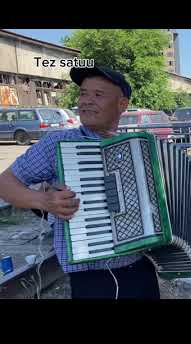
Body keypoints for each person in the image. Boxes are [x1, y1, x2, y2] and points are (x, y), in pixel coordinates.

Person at [0, 66, 161, 299]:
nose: (86, 101)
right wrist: (43, 200)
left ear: (122, 105)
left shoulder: (138, 147)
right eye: (83, 93)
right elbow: (5, 182)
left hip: (142, 266)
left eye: (98, 95)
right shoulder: (57, 143)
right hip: (92, 278)